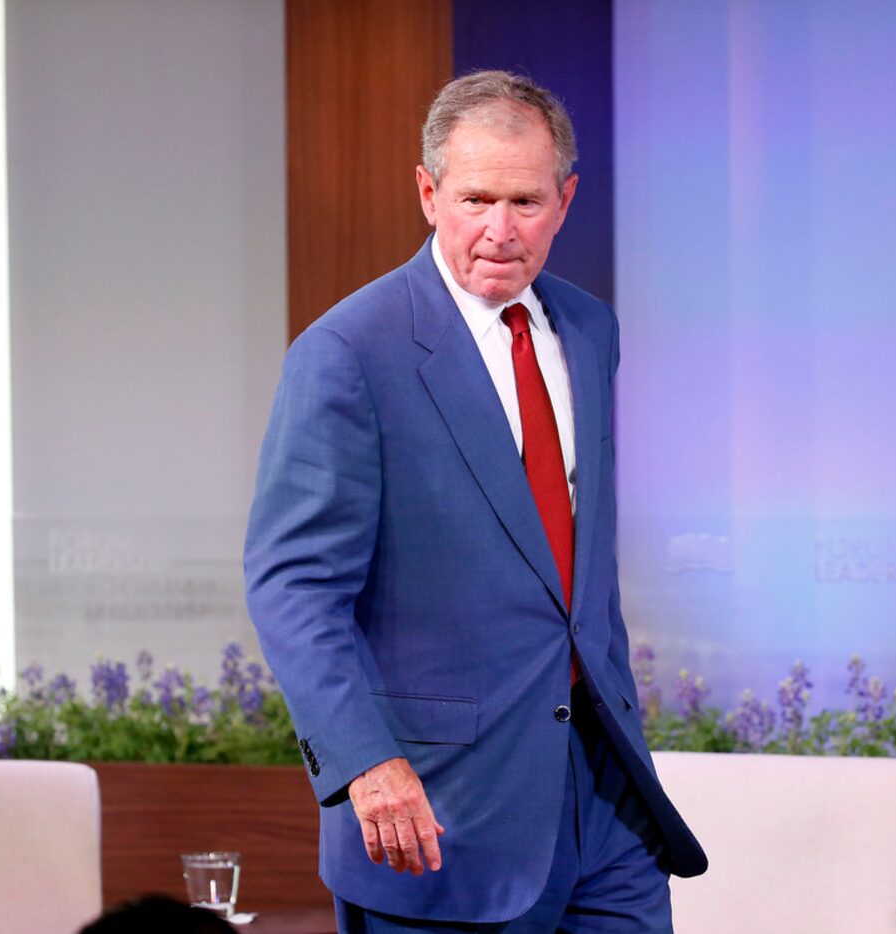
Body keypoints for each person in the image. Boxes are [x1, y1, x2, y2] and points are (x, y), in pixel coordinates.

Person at [244, 70, 706, 932]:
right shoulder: (348, 352)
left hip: (607, 807)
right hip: (435, 813)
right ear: (428, 194)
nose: (500, 230)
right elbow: (292, 586)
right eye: (476, 198)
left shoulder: (590, 329)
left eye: (525, 201)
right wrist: (362, 764)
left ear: (565, 200)